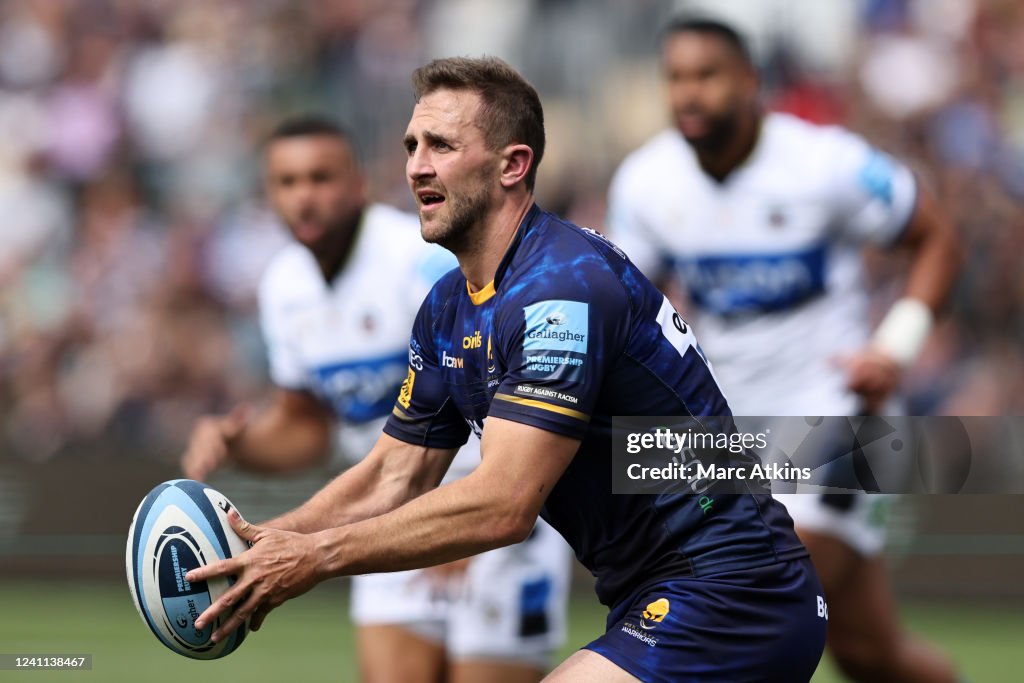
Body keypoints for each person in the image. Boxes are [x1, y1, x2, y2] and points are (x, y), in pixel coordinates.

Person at [186, 57, 827, 683]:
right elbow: (394, 472)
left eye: (440, 144)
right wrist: (256, 543)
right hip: (652, 597)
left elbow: (504, 505)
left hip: (736, 594)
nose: (416, 166)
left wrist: (316, 557)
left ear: (512, 165)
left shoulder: (562, 290)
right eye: (411, 145)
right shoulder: (446, 308)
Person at [606, 17, 962, 683]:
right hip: (729, 433)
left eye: (706, 75)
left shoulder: (827, 163)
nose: (688, 93)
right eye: (675, 78)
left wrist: (895, 347)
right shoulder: (645, 183)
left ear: (749, 82)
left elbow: (937, 236)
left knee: (754, 607)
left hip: (843, 417)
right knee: (867, 651)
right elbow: (634, 311)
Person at [180, 116, 571, 683]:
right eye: (287, 183)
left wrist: (468, 525)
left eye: (320, 178)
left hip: (491, 517)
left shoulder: (421, 260)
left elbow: (512, 401)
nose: (304, 197)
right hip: (382, 517)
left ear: (358, 183)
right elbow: (308, 427)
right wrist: (240, 443)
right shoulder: (283, 286)